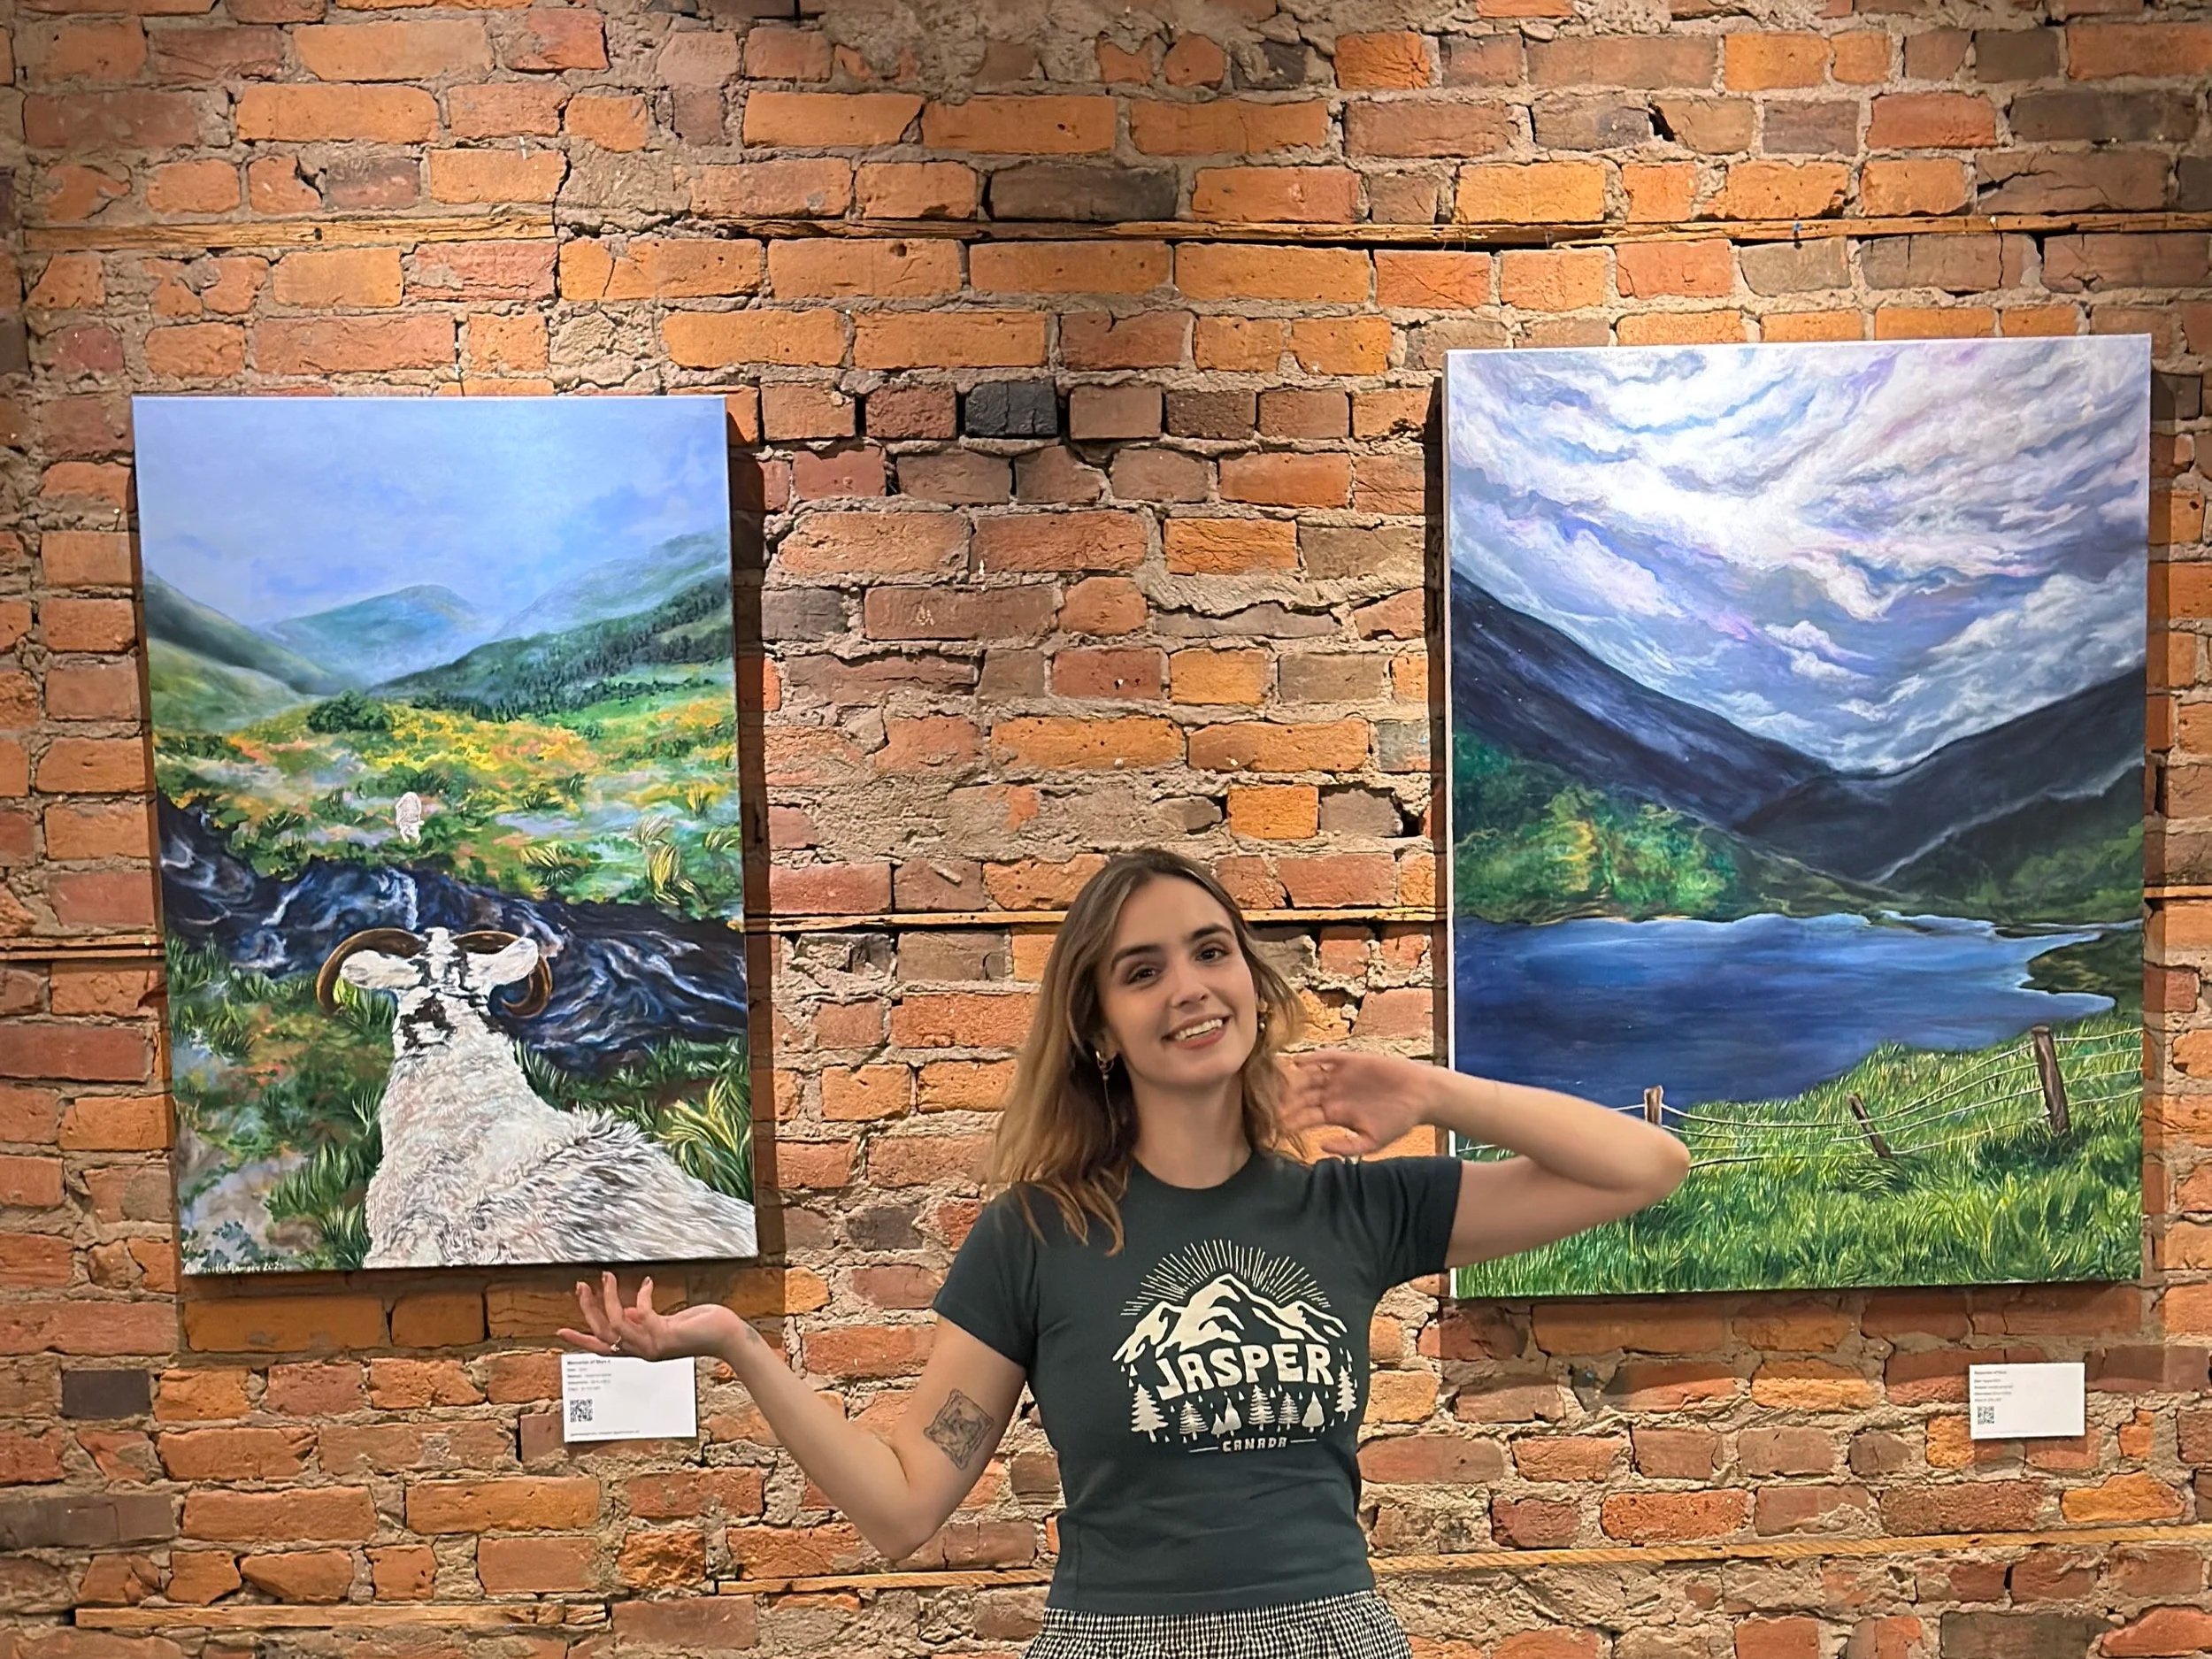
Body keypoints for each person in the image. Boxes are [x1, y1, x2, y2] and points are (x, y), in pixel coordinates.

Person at [564, 848, 1689, 1658]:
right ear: (1099, 1024)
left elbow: (1644, 1165)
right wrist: (735, 1343)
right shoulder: (1035, 1234)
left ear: (1250, 982)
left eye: (1211, 952)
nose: (1190, 987)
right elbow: (902, 1508)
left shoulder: (1353, 1208)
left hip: (1329, 1635)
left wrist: (1434, 1091)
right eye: (1142, 970)